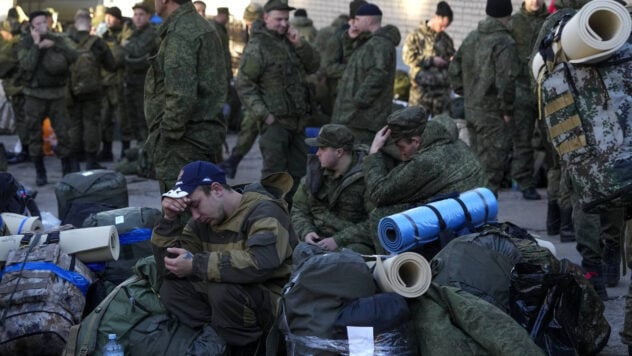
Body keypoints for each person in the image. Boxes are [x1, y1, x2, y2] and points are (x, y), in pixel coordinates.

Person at [151, 160, 296, 354]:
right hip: (233, 301)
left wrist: (196, 264)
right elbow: (169, 269)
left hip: (274, 297)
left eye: (196, 205)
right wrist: (169, 220)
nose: (194, 215)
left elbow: (262, 262)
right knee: (173, 289)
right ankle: (217, 341)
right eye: (188, 210)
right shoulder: (202, 221)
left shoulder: (264, 210)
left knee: (223, 290)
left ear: (217, 190)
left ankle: (251, 348)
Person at [362, 106, 488, 253]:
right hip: (477, 213)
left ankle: (395, 270)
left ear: (416, 141)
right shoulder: (454, 143)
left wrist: (374, 153)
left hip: (457, 223)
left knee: (381, 216)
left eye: (401, 147)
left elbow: (379, 193)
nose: (401, 155)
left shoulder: (425, 161)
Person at [235, 0, 320, 205]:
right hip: (275, 123)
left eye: (285, 19)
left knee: (297, 171)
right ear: (266, 18)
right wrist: (265, 114)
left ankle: (288, 213)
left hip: (298, 121)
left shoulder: (290, 42)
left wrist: (300, 44)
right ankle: (269, 217)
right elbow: (244, 85)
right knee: (275, 176)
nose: (283, 24)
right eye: (278, 19)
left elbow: (314, 65)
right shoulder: (258, 46)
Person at [145, 0, 228, 195]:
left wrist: (166, 136)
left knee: (182, 211)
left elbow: (181, 94)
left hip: (183, 143)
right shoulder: (198, 26)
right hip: (200, 136)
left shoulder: (181, 33)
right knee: (202, 209)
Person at [448, 0, 519, 195]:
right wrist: (507, 109)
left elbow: (453, 69)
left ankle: (474, 217)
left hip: (472, 110)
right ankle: (485, 221)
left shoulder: (472, 37)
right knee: (492, 171)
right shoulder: (504, 41)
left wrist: (466, 92)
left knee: (477, 166)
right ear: (508, 16)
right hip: (493, 114)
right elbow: (506, 80)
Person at [291, 124, 373, 254]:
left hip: (353, 244)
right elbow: (298, 209)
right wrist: (307, 232)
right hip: (319, 241)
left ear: (339, 152)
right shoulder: (315, 173)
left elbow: (375, 222)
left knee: (346, 259)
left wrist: (338, 240)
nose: (317, 153)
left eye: (322, 148)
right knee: (300, 254)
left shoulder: (368, 176)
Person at [18, 10, 78, 186]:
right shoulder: (26, 42)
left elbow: (74, 55)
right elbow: (26, 65)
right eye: (38, 23)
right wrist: (37, 46)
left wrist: (55, 46)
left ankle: (67, 171)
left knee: (64, 133)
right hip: (34, 96)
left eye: (44, 21)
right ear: (32, 26)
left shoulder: (58, 38)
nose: (42, 25)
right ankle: (40, 172)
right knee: (34, 134)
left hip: (57, 94)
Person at [331, 3, 401, 145]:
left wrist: (358, 101)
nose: (353, 22)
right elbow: (355, 65)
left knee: (359, 159)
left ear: (368, 20)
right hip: (355, 118)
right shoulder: (368, 42)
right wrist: (350, 39)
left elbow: (378, 74)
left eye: (357, 19)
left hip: (363, 120)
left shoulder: (379, 44)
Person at [218, 3, 264, 179]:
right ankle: (233, 161)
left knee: (251, 126)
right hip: (257, 92)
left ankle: (233, 161)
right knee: (249, 126)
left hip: (263, 93)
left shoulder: (259, 37)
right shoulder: (257, 36)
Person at [509, 0, 548, 200]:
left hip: (545, 88)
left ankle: (555, 183)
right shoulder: (514, 22)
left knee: (549, 139)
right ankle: (524, 183)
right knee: (522, 141)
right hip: (521, 89)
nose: (535, 1)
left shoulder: (550, 21)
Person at [68, 13, 117, 170]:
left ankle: (74, 161)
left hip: (71, 91)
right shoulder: (98, 43)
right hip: (93, 91)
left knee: (74, 124)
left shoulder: (66, 42)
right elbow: (111, 65)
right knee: (92, 124)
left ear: (76, 25)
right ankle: (91, 161)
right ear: (90, 26)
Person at [402, 1, 455, 115]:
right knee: (414, 127)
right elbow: (407, 57)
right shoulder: (416, 36)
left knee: (442, 127)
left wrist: (452, 60)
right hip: (421, 93)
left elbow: (452, 58)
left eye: (446, 27)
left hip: (442, 94)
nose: (443, 29)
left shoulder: (446, 40)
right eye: (441, 25)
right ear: (436, 17)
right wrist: (431, 61)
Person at [121, 2, 158, 153]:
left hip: (145, 83)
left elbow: (137, 51)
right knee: (133, 119)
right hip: (132, 82)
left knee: (144, 119)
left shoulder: (151, 32)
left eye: (141, 15)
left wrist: (125, 44)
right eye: (135, 15)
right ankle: (141, 151)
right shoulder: (135, 32)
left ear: (148, 16)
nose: (138, 18)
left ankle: (147, 152)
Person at [98, 6, 133, 162]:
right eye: (106, 17)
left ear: (118, 18)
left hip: (119, 84)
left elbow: (117, 59)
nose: (107, 20)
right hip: (104, 83)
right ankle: (107, 150)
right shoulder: (103, 34)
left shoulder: (126, 32)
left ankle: (125, 151)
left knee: (123, 119)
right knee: (104, 118)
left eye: (111, 17)